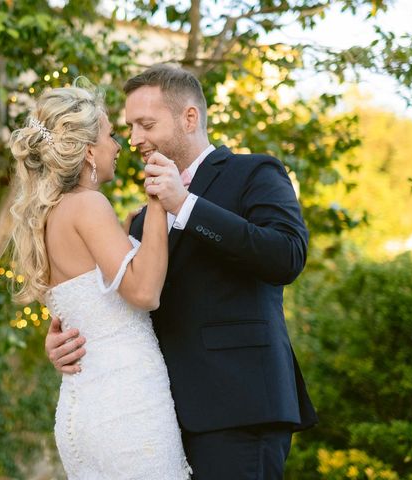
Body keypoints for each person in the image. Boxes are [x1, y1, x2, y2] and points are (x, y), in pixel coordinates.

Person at [45, 64, 318, 479]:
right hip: (154, 419)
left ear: (189, 118)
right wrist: (69, 340)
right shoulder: (138, 222)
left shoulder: (254, 173)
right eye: (129, 127)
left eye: (146, 124)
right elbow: (127, 303)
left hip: (238, 409)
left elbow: (286, 256)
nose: (134, 139)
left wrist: (185, 205)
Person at [9, 84, 192, 479]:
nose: (118, 146)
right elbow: (144, 292)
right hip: (126, 407)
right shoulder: (88, 204)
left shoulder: (50, 215)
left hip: (84, 408)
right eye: (110, 135)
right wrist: (159, 201)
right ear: (89, 150)